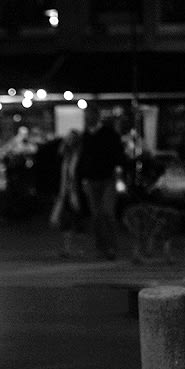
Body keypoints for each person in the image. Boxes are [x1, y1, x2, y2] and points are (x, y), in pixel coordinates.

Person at [79, 104, 125, 260]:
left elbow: (118, 155)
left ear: (96, 117)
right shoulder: (86, 136)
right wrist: (84, 179)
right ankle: (101, 247)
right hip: (92, 180)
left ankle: (111, 247)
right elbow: (83, 159)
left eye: (89, 116)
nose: (87, 119)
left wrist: (118, 175)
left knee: (107, 213)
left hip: (107, 179)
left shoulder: (109, 134)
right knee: (96, 215)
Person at [49, 130, 86, 258]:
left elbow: (80, 173)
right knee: (66, 220)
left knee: (78, 219)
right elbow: (58, 174)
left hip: (77, 192)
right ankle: (67, 248)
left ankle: (80, 248)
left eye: (73, 139)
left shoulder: (81, 156)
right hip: (64, 191)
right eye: (68, 139)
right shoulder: (63, 156)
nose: (70, 142)